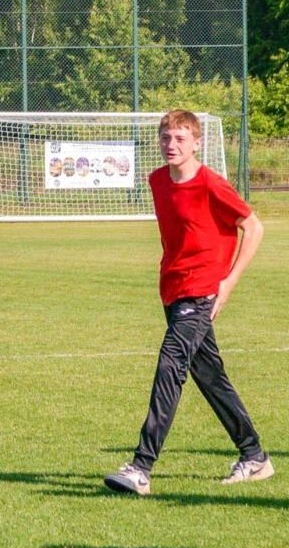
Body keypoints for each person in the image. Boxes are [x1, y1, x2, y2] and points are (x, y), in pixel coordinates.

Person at [104, 109, 271, 496]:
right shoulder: (157, 181)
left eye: (180, 138)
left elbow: (253, 227)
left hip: (202, 292)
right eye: (166, 137)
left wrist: (227, 283)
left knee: (170, 365)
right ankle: (254, 456)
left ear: (197, 142)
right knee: (210, 377)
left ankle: (141, 467)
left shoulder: (211, 184)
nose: (171, 144)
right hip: (173, 290)